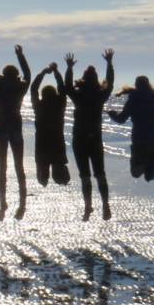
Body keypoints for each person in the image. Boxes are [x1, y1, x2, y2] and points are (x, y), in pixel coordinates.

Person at [0, 45, 33, 220]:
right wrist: (21, 55)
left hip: (1, 128)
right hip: (16, 126)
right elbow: (28, 75)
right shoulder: (21, 86)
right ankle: (23, 202)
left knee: (1, 166)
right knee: (19, 165)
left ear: (4, 75)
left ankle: (3, 201)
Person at [68, 49, 116, 221]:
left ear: (83, 79)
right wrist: (109, 63)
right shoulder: (100, 96)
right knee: (100, 174)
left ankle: (88, 206)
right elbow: (110, 82)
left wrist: (69, 68)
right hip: (95, 139)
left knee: (85, 176)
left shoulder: (78, 96)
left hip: (79, 139)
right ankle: (105, 204)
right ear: (96, 79)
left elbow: (67, 86)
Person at [109, 75, 154, 191]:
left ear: (136, 86)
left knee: (136, 172)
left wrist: (112, 115)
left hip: (140, 139)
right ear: (149, 85)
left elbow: (121, 119)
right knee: (149, 175)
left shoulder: (133, 100)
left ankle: (150, 168)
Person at [31, 59, 71, 189]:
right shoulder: (60, 104)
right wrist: (56, 72)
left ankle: (43, 180)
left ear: (43, 94)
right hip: (57, 139)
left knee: (42, 166)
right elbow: (62, 88)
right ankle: (61, 180)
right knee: (58, 165)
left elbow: (33, 89)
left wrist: (43, 73)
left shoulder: (39, 105)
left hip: (42, 140)